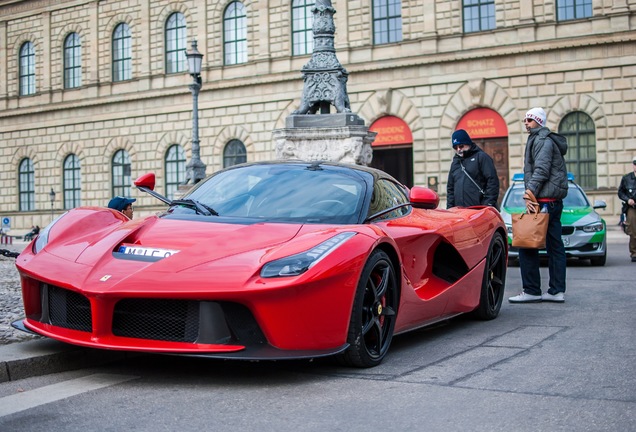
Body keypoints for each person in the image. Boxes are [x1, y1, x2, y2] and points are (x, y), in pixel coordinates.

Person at [509, 107, 568, 303]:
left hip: (543, 202)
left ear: (539, 122)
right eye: (525, 119)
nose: (526, 123)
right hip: (550, 202)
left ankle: (532, 290)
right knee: (555, 247)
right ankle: (556, 291)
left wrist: (529, 192)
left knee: (526, 244)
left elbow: (541, 170)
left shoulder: (542, 140)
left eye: (529, 120)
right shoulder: (543, 139)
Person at [446, 129, 499, 208]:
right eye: (455, 148)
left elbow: (492, 181)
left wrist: (487, 204)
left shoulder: (481, 157)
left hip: (479, 210)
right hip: (460, 212)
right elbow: (450, 188)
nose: (458, 149)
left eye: (461, 146)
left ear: (468, 143)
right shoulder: (455, 163)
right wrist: (450, 209)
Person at [617, 156, 636, 262]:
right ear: (633, 165)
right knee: (633, 230)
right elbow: (620, 192)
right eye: (635, 164)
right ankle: (634, 253)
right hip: (632, 207)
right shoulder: (626, 178)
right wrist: (628, 200)